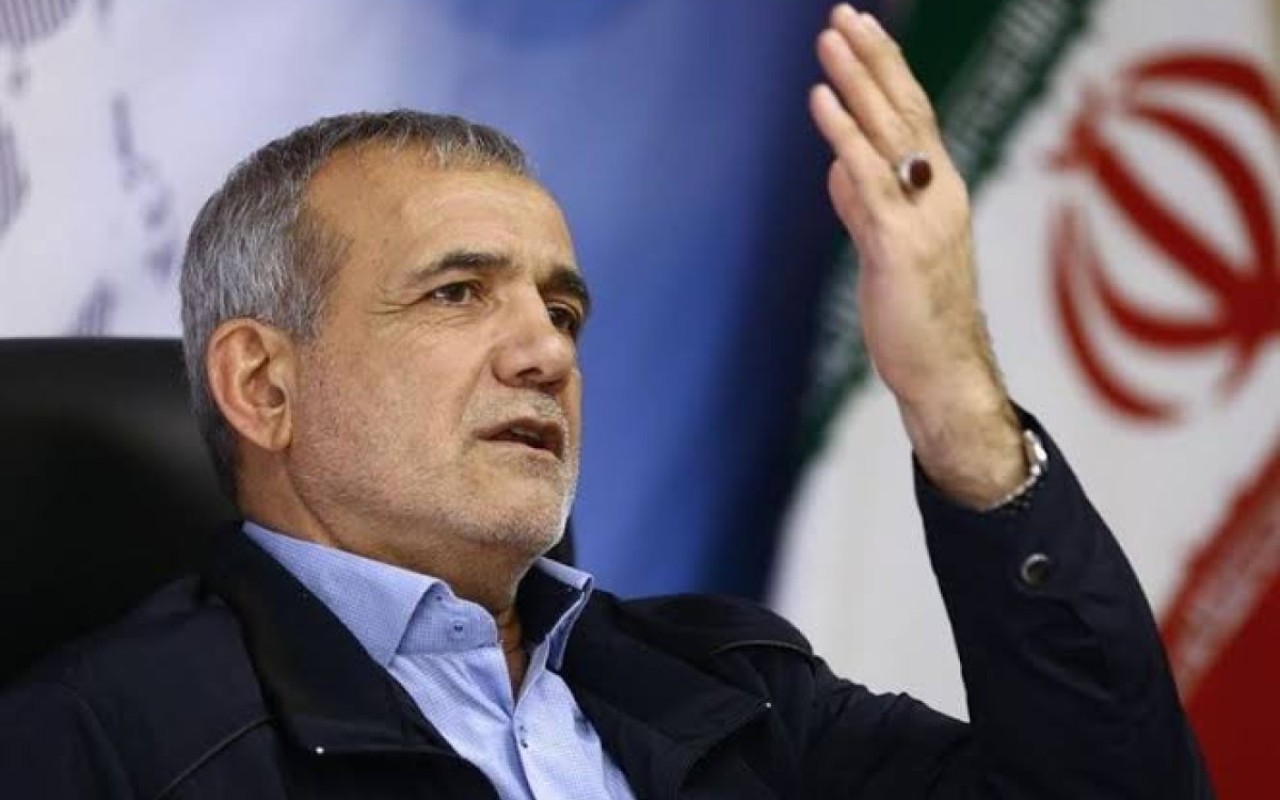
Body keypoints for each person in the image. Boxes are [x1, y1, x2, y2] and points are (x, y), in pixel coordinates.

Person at [0, 6, 1211, 798]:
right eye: (457, 292)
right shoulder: (102, 746)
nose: (544, 350)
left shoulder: (732, 690)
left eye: (563, 310)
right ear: (264, 384)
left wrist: (952, 398)